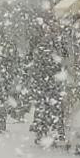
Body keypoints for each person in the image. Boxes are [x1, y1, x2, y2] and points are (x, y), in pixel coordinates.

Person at [29, 17, 66, 145]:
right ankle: (53, 133)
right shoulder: (54, 46)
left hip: (47, 83)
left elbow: (36, 67)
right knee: (52, 109)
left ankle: (45, 133)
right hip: (50, 83)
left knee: (45, 109)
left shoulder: (51, 46)